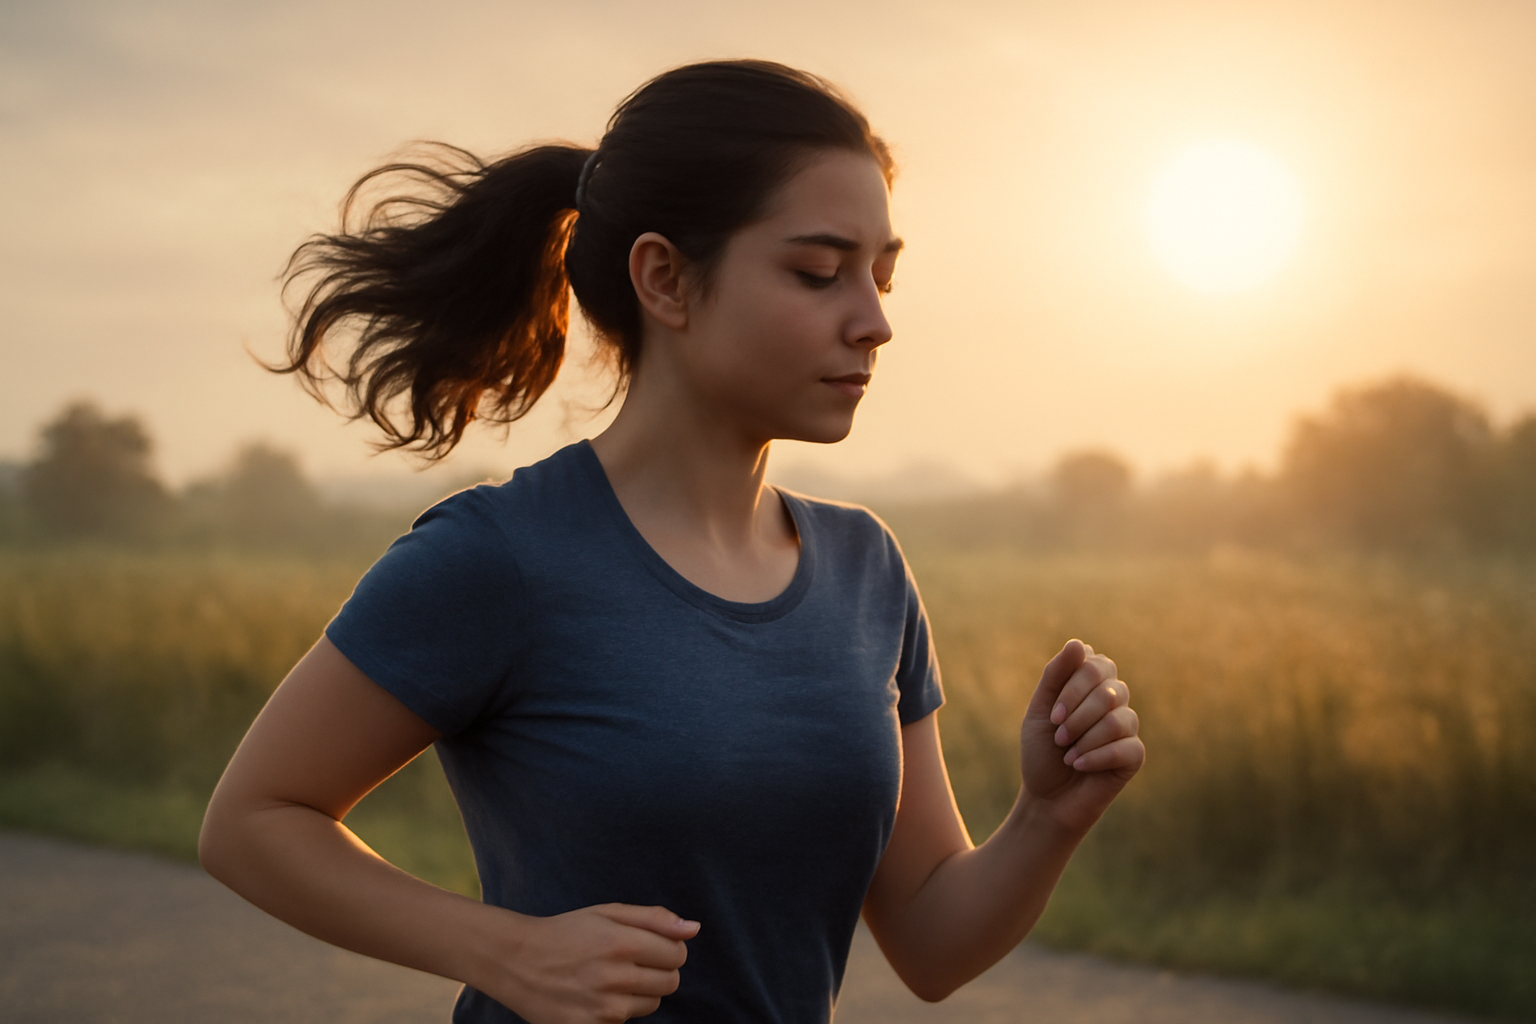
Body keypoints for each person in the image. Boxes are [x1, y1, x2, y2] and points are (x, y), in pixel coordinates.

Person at [198, 59, 1145, 1024]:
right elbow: (252, 822)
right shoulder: (501, 558)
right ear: (665, 279)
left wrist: (1047, 817)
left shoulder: (867, 572)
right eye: (818, 273)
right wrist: (509, 950)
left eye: (882, 275)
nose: (875, 322)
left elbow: (934, 943)